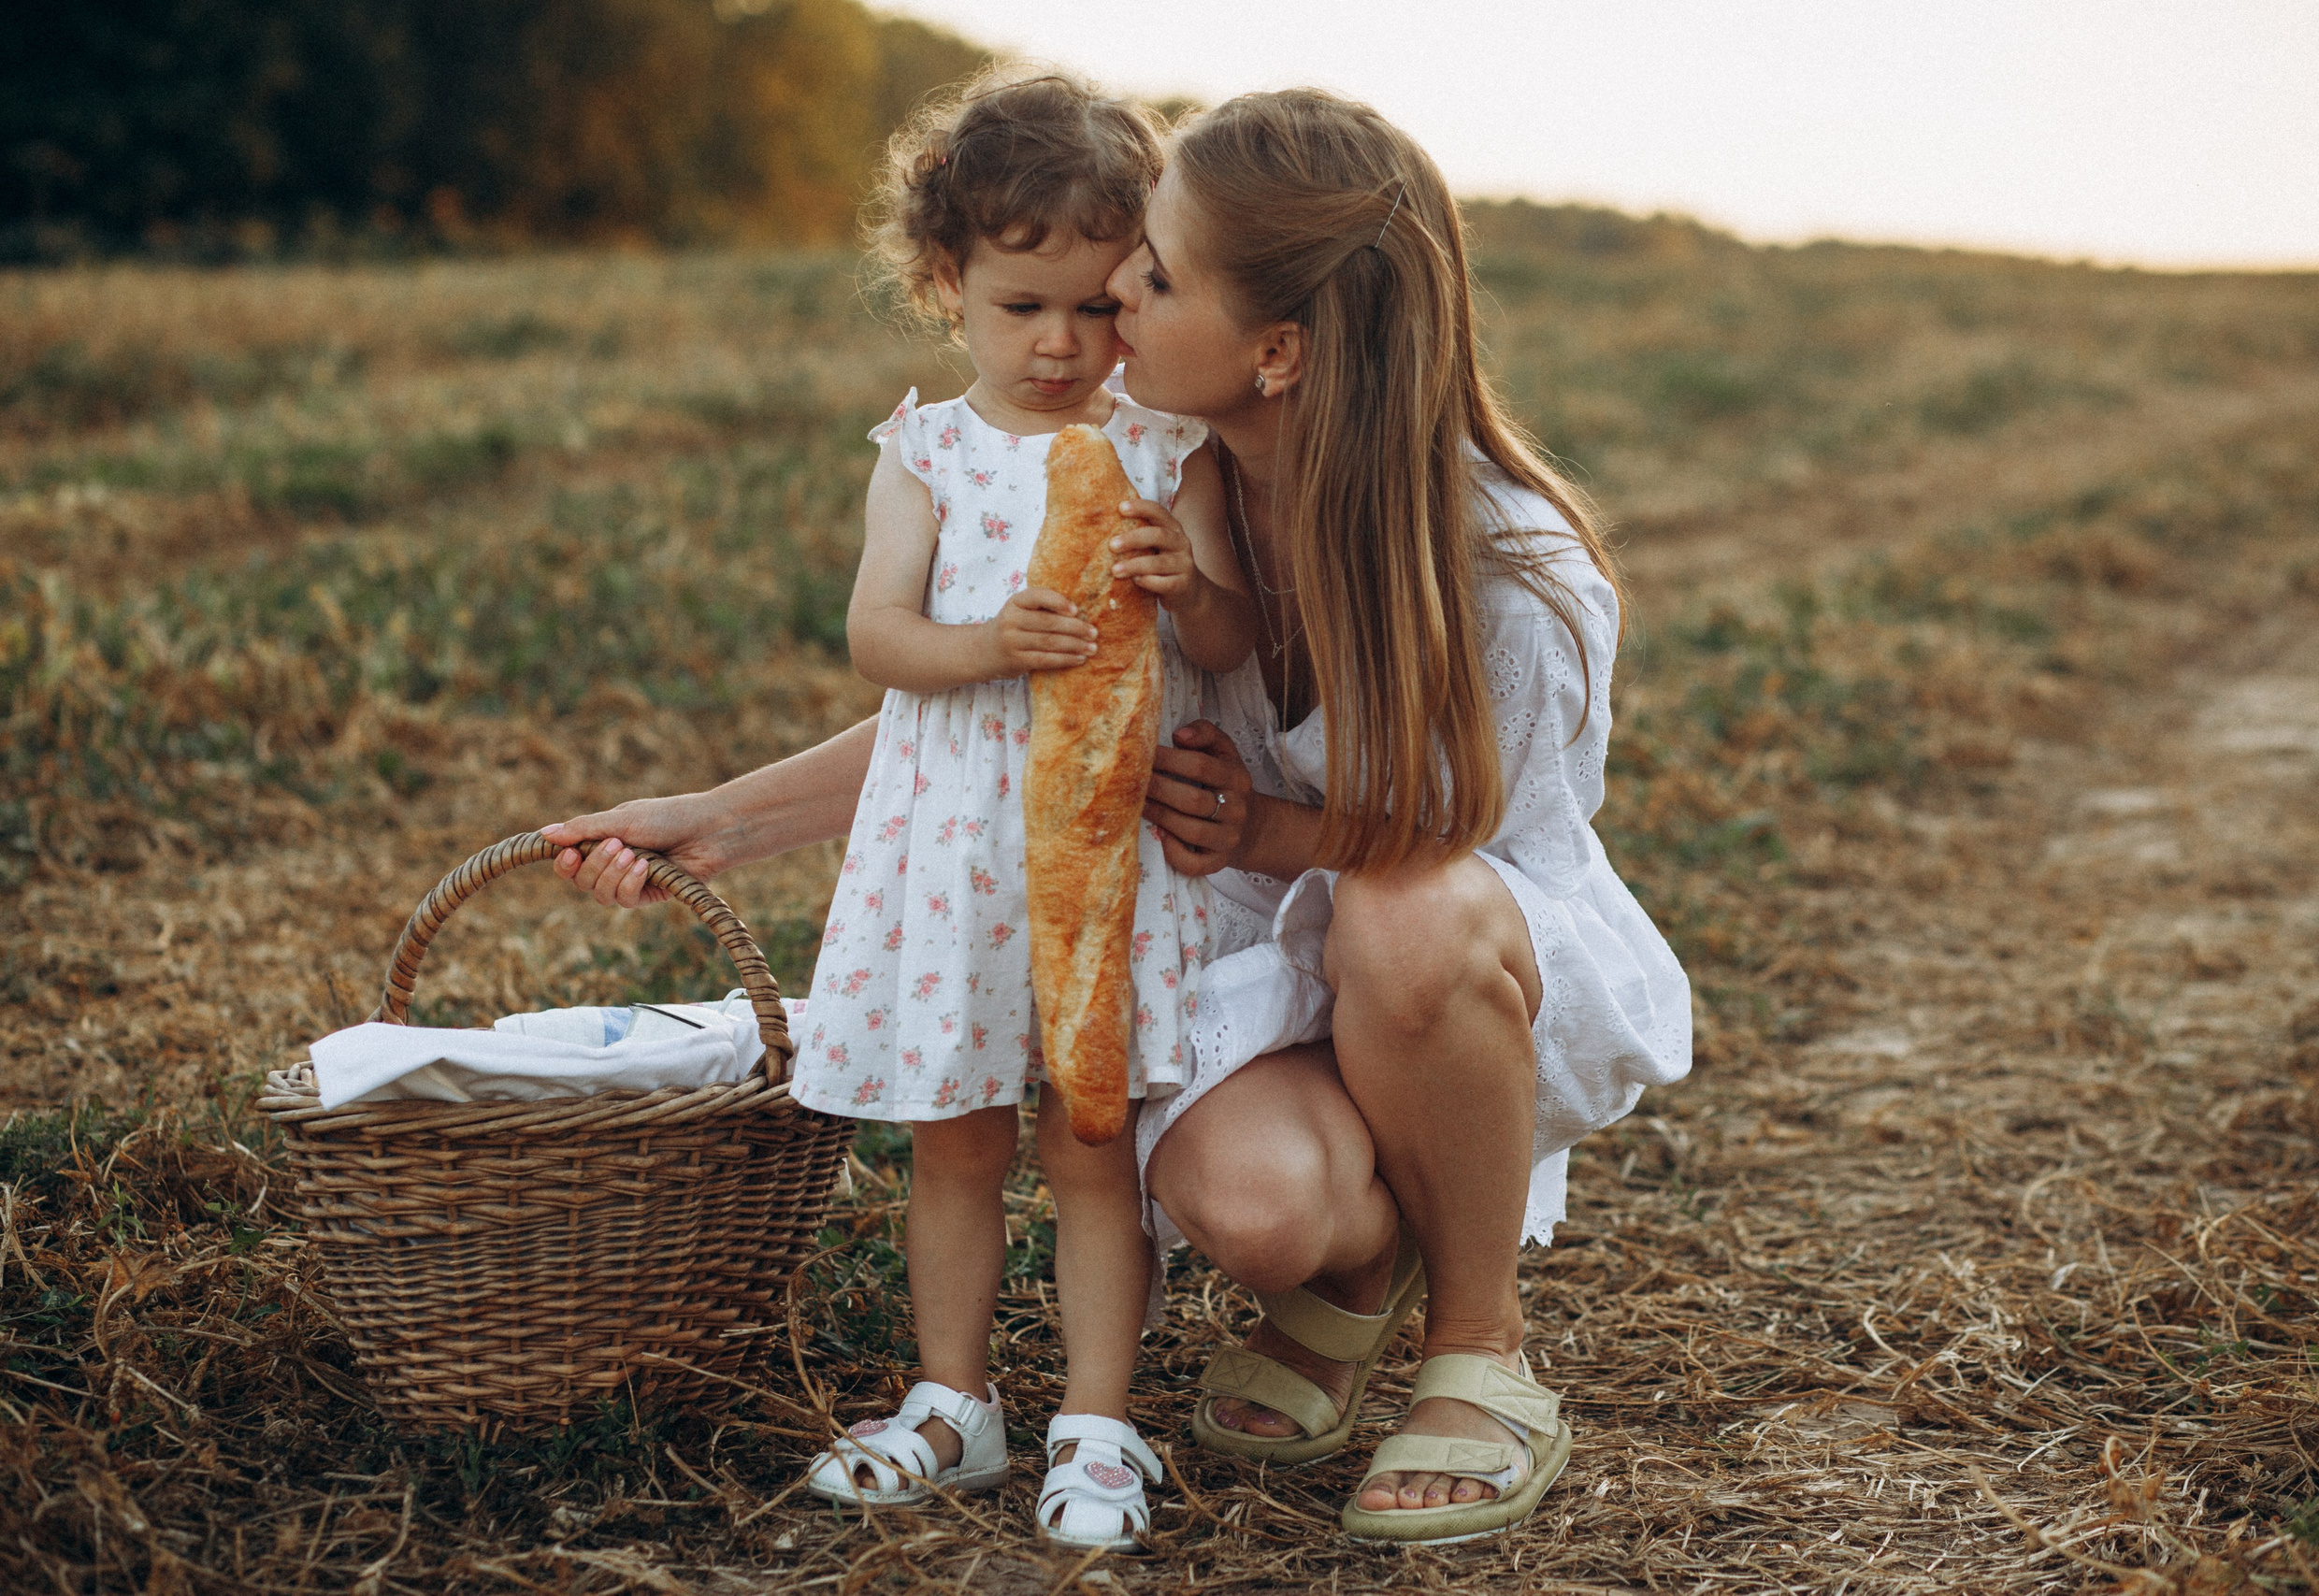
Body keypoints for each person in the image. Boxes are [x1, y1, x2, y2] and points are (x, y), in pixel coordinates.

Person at [547, 88, 1688, 1546]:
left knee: (1405, 915)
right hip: (1270, 950)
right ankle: (1349, 1279)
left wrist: (1280, 837)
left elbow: (1483, 853)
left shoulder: (1504, 573)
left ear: (1276, 348)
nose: (1106, 310)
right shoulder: (1131, 452)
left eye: (1151, 275)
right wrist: (719, 820)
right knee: (1254, 1203)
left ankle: (1479, 1345)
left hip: (1446, 969)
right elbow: (994, 723)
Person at [645, 67, 1254, 1553]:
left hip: (1105, 860)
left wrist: (1195, 591)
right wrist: (991, 645)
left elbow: (1235, 651)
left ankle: (1099, 1422)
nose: (1063, 343)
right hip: (951, 858)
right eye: (1019, 305)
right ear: (947, 285)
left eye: (1102, 308)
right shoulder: (926, 453)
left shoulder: (1169, 457)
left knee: (1092, 1139)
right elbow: (881, 639)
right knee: (958, 1140)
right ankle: (952, 1401)